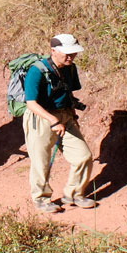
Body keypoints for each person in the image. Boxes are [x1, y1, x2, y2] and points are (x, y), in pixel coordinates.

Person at [23, 34, 96, 213]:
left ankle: (74, 194)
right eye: (66, 53)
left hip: (65, 116)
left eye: (73, 53)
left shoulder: (70, 68)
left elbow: (67, 91)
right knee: (41, 161)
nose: (70, 57)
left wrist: (70, 114)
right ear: (53, 51)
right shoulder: (37, 70)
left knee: (83, 156)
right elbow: (30, 103)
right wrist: (53, 120)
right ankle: (41, 199)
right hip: (40, 118)